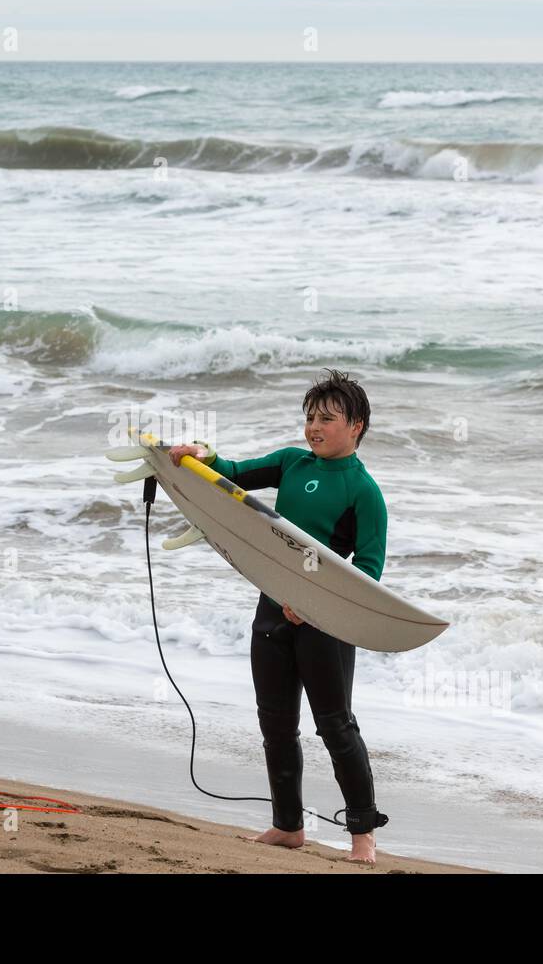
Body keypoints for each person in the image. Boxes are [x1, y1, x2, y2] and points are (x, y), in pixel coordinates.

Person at [167, 368, 386, 863]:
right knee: (276, 724)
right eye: (310, 417)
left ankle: (363, 835)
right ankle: (288, 826)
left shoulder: (364, 492)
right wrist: (203, 457)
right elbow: (235, 474)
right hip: (271, 610)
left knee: (335, 726)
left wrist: (314, 606)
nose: (314, 426)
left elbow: (368, 571)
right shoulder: (291, 463)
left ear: (356, 426)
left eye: (327, 418)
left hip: (325, 624)